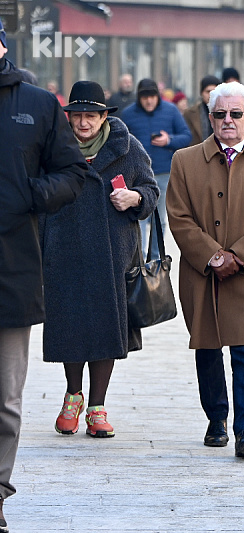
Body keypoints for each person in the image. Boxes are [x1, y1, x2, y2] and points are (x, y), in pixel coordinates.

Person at [166, 81, 244, 458]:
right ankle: (216, 419)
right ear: (210, 117)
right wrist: (211, 256)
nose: (228, 121)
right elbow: (179, 217)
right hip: (201, 273)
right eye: (220, 114)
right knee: (207, 346)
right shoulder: (184, 161)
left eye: (236, 114)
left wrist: (237, 256)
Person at [0, 22, 87, 531]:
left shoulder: (37, 103)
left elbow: (75, 173)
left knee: (5, 401)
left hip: (12, 268)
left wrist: (30, 196)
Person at [42, 81, 159, 439]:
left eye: (90, 115)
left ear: (104, 116)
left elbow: (152, 190)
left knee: (107, 327)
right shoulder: (54, 149)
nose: (82, 123)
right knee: (70, 327)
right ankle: (72, 396)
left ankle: (96, 407)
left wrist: (135, 198)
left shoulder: (128, 148)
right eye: (77, 116)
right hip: (63, 250)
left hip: (111, 252)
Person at [120, 78, 191, 257]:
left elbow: (186, 136)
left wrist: (169, 141)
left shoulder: (171, 111)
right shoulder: (128, 114)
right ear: (139, 98)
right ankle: (141, 257)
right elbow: (118, 142)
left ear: (158, 96)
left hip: (163, 173)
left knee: (160, 218)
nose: (149, 101)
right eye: (145, 97)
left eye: (152, 96)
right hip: (135, 176)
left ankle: (155, 256)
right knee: (139, 217)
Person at [183, 75, 220, 146]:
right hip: (197, 153)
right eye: (208, 91)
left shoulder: (226, 113)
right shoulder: (189, 113)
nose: (211, 95)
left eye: (214, 92)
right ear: (202, 93)